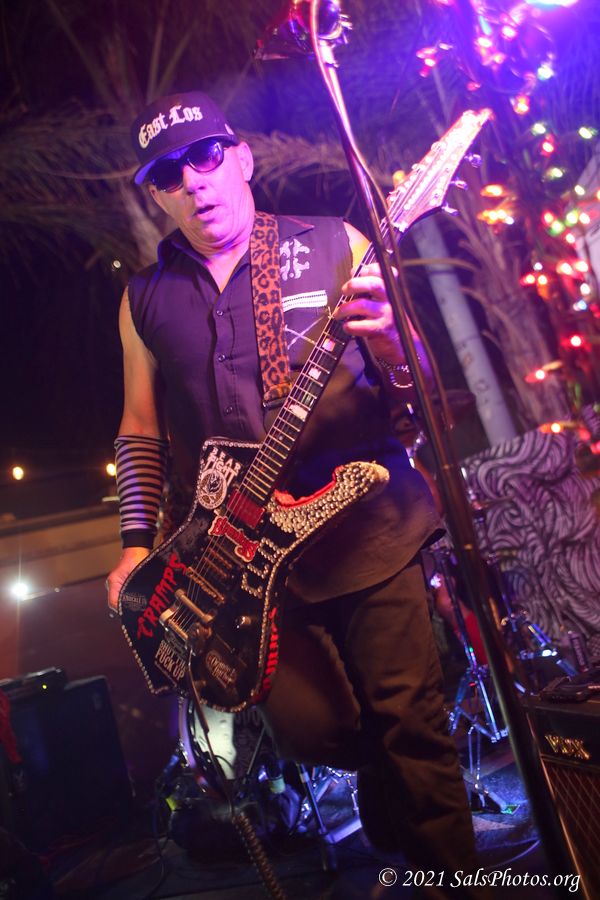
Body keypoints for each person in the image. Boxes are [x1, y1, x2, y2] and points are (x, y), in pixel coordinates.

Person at [106, 90, 484, 896]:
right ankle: (397, 821)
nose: (194, 181)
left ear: (240, 159)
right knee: (319, 732)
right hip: (248, 564)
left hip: (368, 525)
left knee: (409, 722)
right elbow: (140, 428)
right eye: (170, 175)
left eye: (207, 157)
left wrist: (393, 340)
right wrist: (136, 544)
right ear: (159, 196)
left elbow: (421, 394)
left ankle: (452, 880)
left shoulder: (336, 243)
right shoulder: (143, 300)